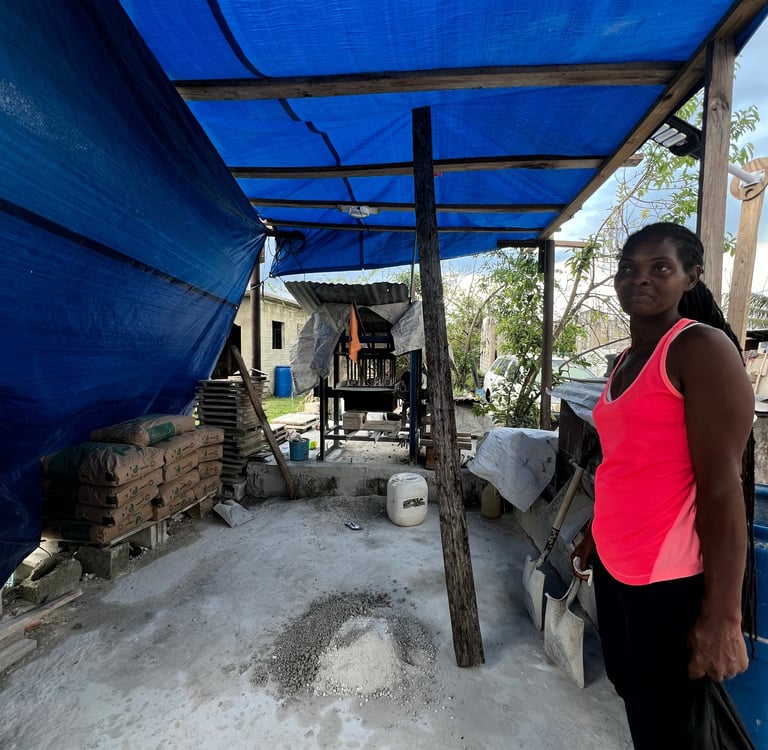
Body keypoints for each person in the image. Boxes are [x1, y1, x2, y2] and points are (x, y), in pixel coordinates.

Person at [572, 222, 756, 748]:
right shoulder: (626, 360)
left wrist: (723, 616)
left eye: (660, 268)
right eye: (628, 268)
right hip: (617, 566)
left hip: (668, 578)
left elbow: (722, 489)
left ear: (691, 276)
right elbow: (629, 464)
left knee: (672, 725)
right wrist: (595, 531)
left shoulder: (699, 349)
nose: (640, 279)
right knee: (636, 698)